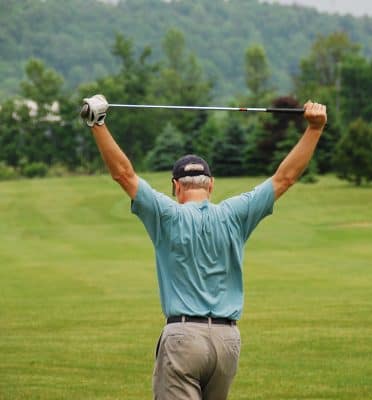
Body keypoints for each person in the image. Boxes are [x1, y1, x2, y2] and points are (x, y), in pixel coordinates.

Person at [81, 94, 327, 400]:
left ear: (175, 187)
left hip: (184, 337)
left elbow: (124, 174)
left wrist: (98, 123)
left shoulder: (167, 213)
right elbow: (285, 178)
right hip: (227, 342)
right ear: (210, 185)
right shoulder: (236, 213)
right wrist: (314, 130)